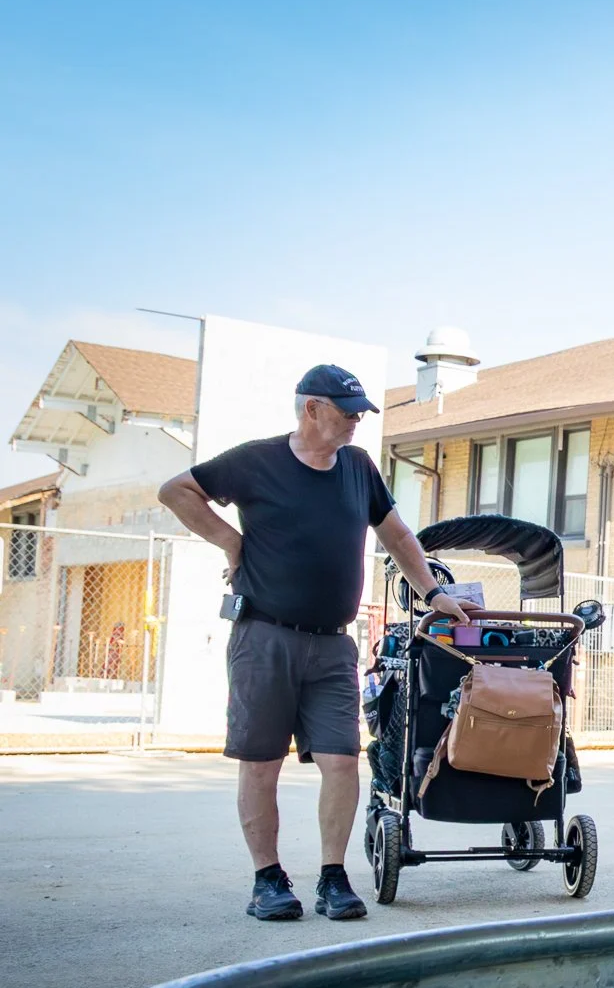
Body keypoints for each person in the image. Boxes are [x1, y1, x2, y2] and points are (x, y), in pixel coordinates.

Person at [157, 364, 472, 921]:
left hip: (332, 645)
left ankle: (332, 877)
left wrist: (432, 592)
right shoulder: (257, 461)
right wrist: (232, 543)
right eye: (347, 412)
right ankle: (268, 881)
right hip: (265, 637)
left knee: (343, 761)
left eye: (359, 414)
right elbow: (176, 491)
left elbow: (396, 534)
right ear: (311, 409)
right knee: (260, 763)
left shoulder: (357, 467)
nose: (355, 422)